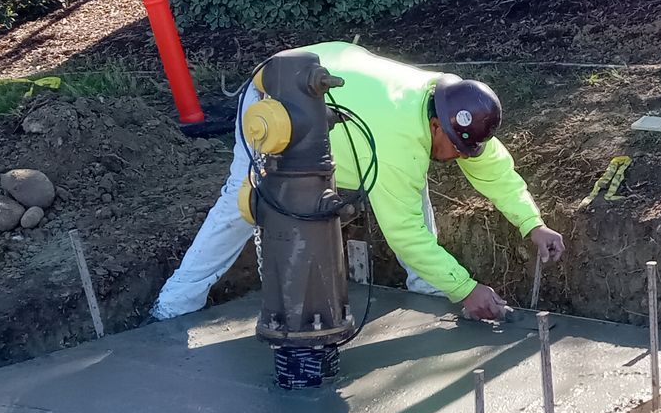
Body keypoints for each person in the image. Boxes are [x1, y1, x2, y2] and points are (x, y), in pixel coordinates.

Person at [152, 41, 564, 322]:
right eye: (456, 147)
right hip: (278, 96)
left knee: (405, 184)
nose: (459, 156)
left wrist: (533, 223)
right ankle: (174, 305)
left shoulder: (451, 102)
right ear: (437, 124)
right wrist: (467, 289)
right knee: (243, 203)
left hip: (336, 77)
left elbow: (492, 168)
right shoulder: (399, 143)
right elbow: (405, 235)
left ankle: (428, 290)